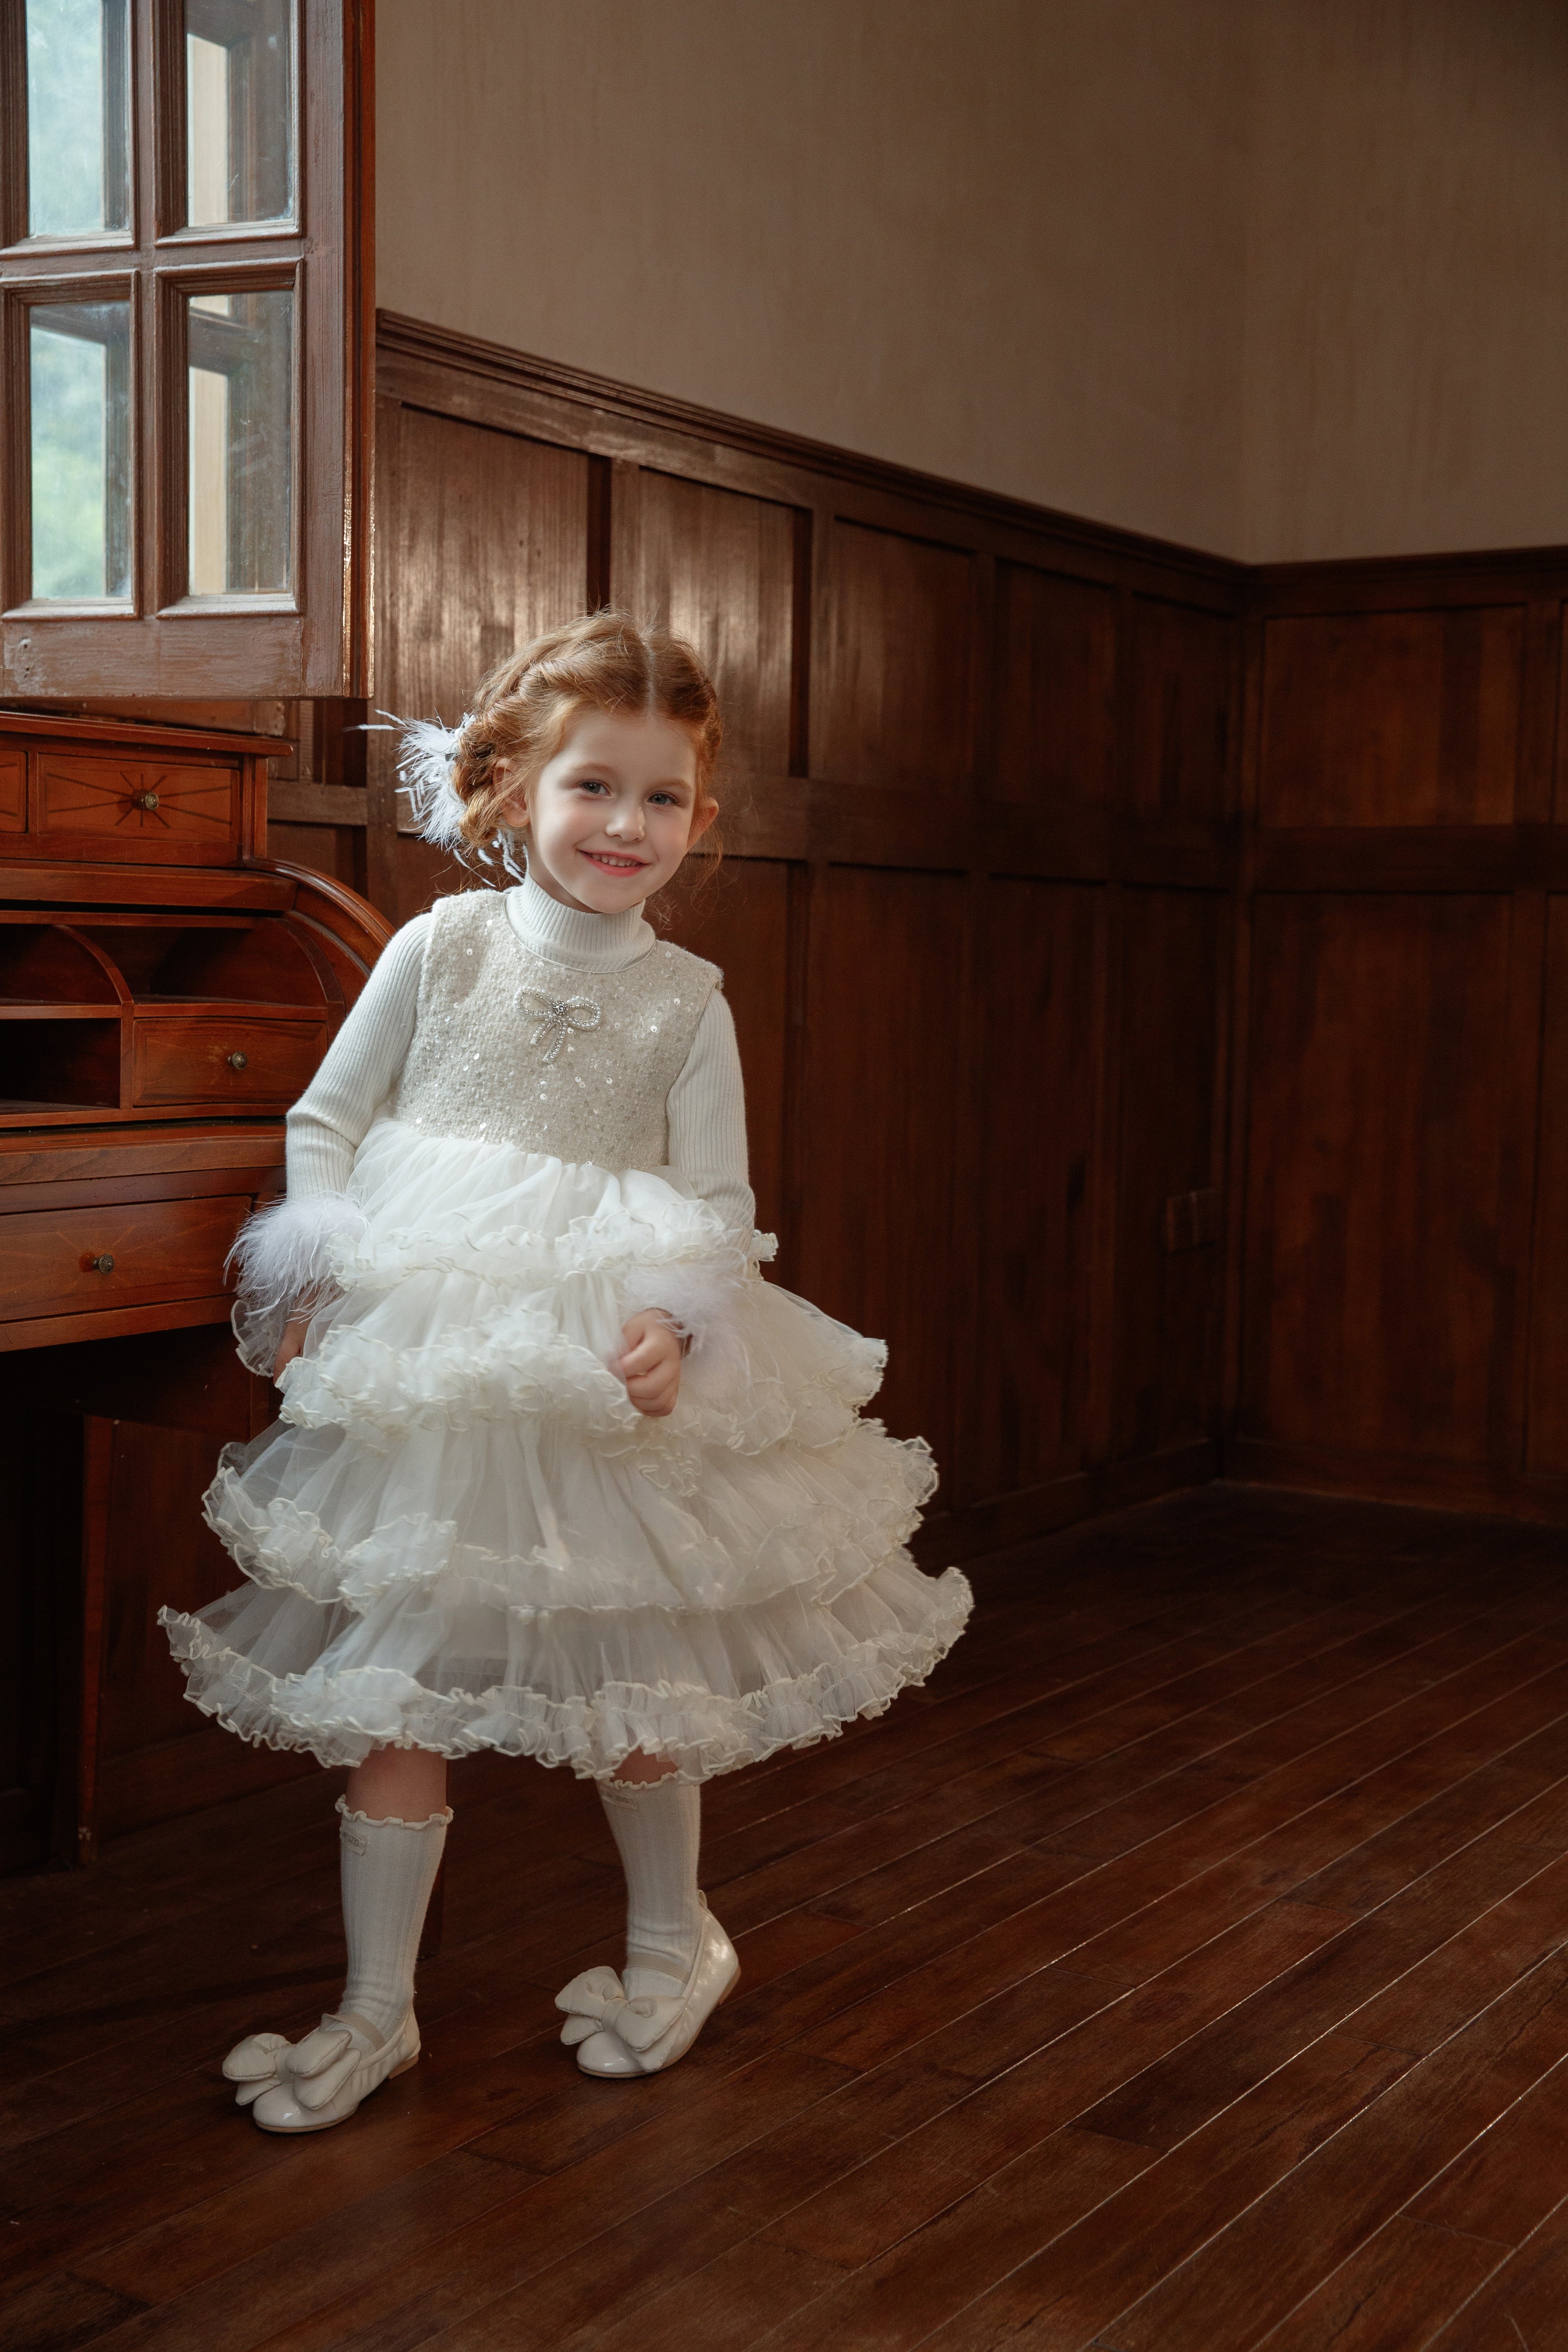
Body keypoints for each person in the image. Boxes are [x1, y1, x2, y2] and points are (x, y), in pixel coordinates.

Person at [159, 611, 971, 2133]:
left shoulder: (688, 999)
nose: (625, 825)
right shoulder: (441, 946)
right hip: (435, 1350)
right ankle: (376, 2009)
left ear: (700, 821)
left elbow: (719, 1203)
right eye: (594, 786)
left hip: (597, 1362)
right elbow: (329, 1120)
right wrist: (320, 1264)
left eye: (662, 798)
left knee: (635, 1663)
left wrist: (682, 1320)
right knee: (397, 1677)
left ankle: (676, 1942)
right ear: (515, 789)